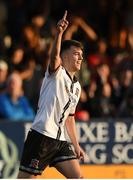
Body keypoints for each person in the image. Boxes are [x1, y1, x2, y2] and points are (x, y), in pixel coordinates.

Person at [17, 10, 85, 179]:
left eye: (82, 56)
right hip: (41, 137)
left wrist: (76, 145)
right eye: (76, 54)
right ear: (65, 55)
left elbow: (70, 118)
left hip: (60, 141)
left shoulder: (77, 86)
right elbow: (54, 56)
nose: (80, 58)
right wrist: (59, 33)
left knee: (78, 177)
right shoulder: (56, 72)